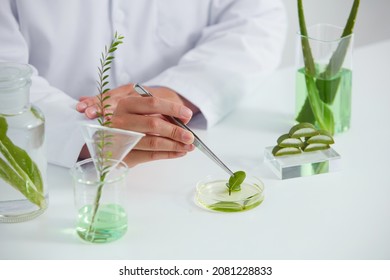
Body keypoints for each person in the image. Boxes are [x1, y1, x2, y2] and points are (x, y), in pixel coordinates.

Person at [0, 0, 287, 168]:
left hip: (188, 149)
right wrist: (81, 132)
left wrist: (174, 94)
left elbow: (256, 19)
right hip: (46, 167)